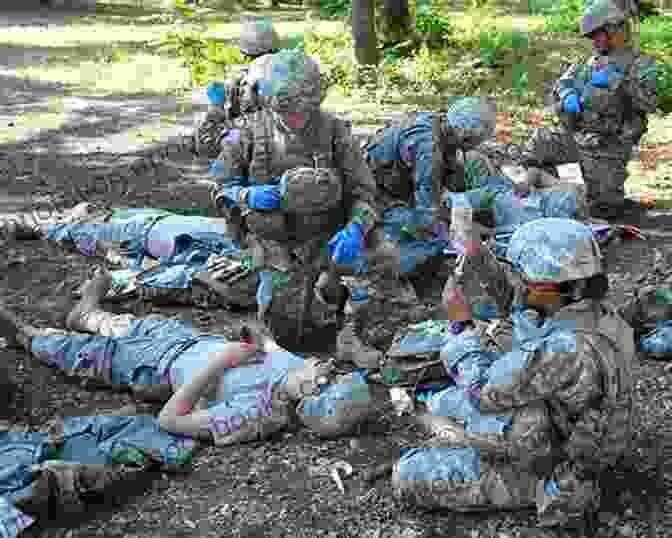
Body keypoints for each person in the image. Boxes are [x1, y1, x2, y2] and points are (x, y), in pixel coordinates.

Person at [393, 218, 635, 538]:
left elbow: (480, 391)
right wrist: (480, 258)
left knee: (407, 474)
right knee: (446, 403)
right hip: (567, 426)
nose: (518, 283)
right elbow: (521, 308)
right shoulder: (591, 311)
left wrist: (460, 325)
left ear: (550, 286)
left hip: (558, 465)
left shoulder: (564, 349)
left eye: (524, 277)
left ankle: (529, 487)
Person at [0, 271, 374, 445]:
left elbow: (169, 420)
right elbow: (267, 344)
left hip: (149, 369)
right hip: (178, 338)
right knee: (125, 325)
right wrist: (256, 339)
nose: (326, 365)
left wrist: (222, 361)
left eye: (330, 376)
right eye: (335, 370)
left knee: (57, 348)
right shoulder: (296, 369)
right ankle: (87, 313)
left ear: (313, 394)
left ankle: (22, 333)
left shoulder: (258, 413)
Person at [209, 49, 381, 333]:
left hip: (328, 239)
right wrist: (245, 196)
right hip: (274, 245)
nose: (298, 120)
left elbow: (365, 193)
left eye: (305, 111)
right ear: (270, 103)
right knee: (286, 329)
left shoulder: (335, 131)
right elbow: (218, 189)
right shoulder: (247, 133)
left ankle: (337, 297)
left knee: (384, 256)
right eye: (288, 112)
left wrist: (356, 229)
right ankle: (265, 283)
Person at [516, 0, 656, 220]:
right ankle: (539, 191)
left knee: (604, 207)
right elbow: (562, 85)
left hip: (608, 148)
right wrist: (567, 95)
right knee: (540, 143)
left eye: (597, 35)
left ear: (614, 30)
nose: (593, 41)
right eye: (591, 36)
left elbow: (651, 103)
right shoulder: (590, 62)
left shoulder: (642, 64)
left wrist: (622, 82)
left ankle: (596, 195)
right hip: (577, 138)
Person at [195, 15, 282, 159]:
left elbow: (207, 145)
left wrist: (216, 107)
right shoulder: (290, 71)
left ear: (244, 52)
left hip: (258, 145)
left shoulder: (241, 82)